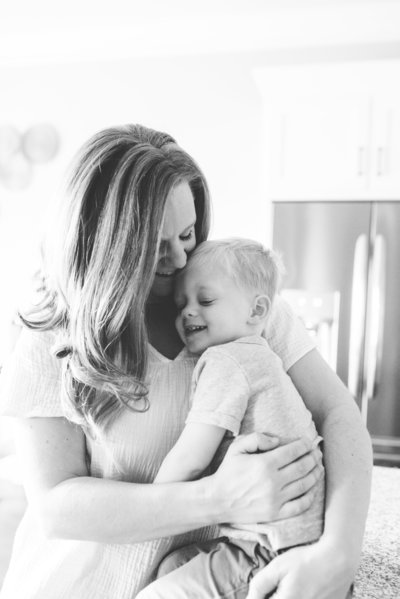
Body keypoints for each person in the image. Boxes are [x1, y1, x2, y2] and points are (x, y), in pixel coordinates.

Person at [0, 124, 372, 599]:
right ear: (105, 244)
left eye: (188, 233)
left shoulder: (243, 310)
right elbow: (56, 505)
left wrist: (337, 553)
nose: (178, 258)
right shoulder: (53, 335)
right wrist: (217, 498)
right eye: (154, 245)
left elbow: (338, 412)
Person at [137, 238, 326, 599]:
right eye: (182, 304)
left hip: (273, 550)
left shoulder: (227, 361)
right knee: (172, 568)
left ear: (256, 311)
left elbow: (192, 457)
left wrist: (147, 510)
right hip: (281, 536)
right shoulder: (260, 355)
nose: (188, 313)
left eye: (205, 301)